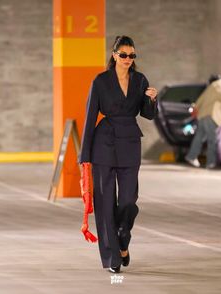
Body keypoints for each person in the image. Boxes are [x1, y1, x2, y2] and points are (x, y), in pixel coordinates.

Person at [79, 35, 158, 273]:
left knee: (127, 200)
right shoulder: (101, 81)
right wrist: (85, 154)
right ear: (114, 55)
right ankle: (113, 258)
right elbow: (90, 117)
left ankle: (123, 238)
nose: (128, 59)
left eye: (132, 55)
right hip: (103, 144)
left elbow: (148, 114)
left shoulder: (140, 79)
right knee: (104, 203)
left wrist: (152, 100)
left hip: (130, 143)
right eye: (123, 55)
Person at [185, 72, 221, 169]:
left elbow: (202, 98)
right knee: (213, 139)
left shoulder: (215, 85)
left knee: (199, 137)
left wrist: (196, 108)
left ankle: (191, 156)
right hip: (212, 115)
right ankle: (211, 163)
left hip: (204, 114)